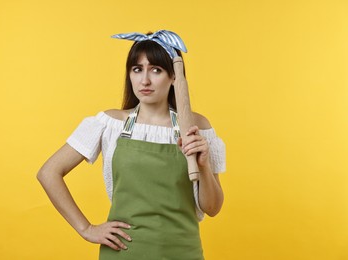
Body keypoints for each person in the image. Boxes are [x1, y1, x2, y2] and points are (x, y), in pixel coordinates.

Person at [37, 30, 226, 260]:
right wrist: (86, 229)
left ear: (175, 76)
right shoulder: (110, 124)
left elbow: (213, 208)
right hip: (124, 253)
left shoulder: (197, 127)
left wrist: (203, 165)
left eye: (156, 70)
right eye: (137, 69)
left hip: (183, 253)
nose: (144, 80)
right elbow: (48, 172)